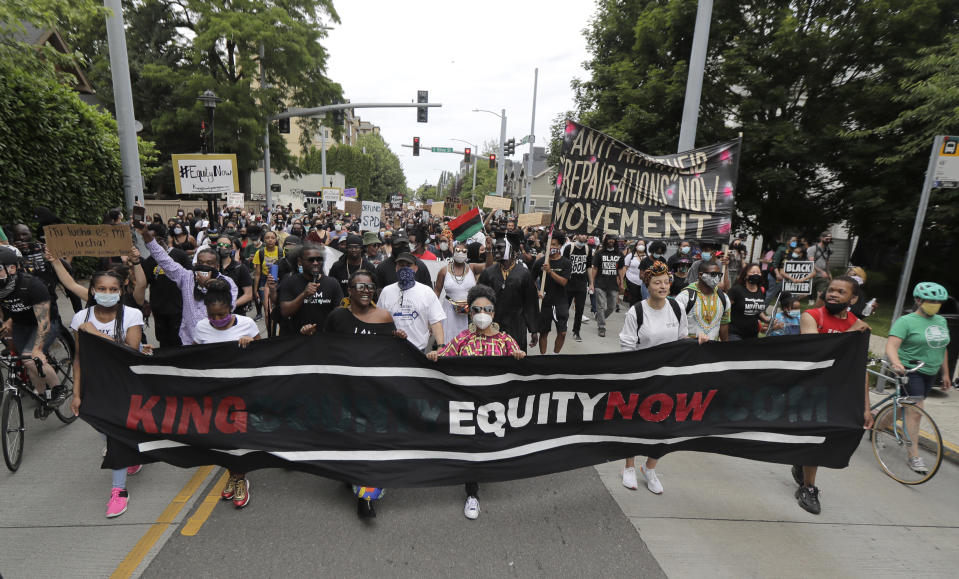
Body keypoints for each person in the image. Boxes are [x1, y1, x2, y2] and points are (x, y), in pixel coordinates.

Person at [426, 284, 526, 519]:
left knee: (488, 446)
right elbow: (444, 355)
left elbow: (520, 370)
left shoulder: (506, 341)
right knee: (472, 447)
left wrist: (519, 357)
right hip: (469, 406)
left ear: (494, 312)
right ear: (470, 312)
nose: (482, 314)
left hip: (495, 407)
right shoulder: (463, 339)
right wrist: (433, 355)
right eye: (477, 309)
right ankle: (472, 493)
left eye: (487, 309)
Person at [325, 271, 408, 518]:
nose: (365, 290)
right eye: (359, 286)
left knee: (371, 442)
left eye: (370, 286)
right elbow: (325, 349)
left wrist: (399, 341)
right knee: (350, 440)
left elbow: (393, 356)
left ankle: (366, 497)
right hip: (346, 392)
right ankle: (350, 475)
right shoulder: (337, 317)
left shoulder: (384, 317)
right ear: (349, 290)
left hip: (376, 394)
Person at [793, 276, 873, 515]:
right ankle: (808, 488)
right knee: (815, 436)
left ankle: (802, 461)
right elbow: (816, 353)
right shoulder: (812, 316)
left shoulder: (858, 324)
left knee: (830, 438)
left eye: (841, 292)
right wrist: (851, 332)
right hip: (812, 389)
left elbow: (861, 369)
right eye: (831, 290)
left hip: (840, 391)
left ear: (853, 298)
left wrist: (866, 407)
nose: (833, 294)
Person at [69, 271, 145, 518]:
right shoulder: (81, 317)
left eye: (114, 290)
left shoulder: (132, 315)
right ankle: (130, 452)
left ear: (121, 291)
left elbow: (131, 350)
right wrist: (76, 392)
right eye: (102, 288)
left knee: (114, 435)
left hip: (125, 383)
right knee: (103, 429)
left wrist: (94, 332)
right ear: (92, 291)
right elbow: (79, 357)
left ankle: (119, 491)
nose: (108, 294)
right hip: (96, 384)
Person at [619, 261, 690, 494]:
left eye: (666, 282)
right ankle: (629, 466)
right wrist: (632, 377)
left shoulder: (677, 309)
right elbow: (627, 347)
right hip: (641, 377)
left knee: (666, 425)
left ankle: (650, 468)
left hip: (669, 378)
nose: (663, 286)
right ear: (647, 285)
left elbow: (682, 341)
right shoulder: (636, 312)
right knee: (634, 422)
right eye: (657, 282)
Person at [193, 278, 259, 508]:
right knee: (223, 438)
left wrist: (251, 343)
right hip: (215, 391)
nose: (218, 320)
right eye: (213, 316)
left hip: (242, 391)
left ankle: (239, 478)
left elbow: (265, 353)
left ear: (231, 308)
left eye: (222, 315)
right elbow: (194, 357)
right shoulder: (201, 328)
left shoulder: (247, 324)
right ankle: (234, 474)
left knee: (237, 436)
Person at [885, 282, 952, 474]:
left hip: (930, 372)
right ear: (918, 300)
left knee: (904, 406)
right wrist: (897, 363)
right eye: (931, 300)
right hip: (910, 371)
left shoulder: (941, 321)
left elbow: (941, 347)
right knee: (915, 411)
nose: (935, 304)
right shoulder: (906, 321)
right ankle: (914, 456)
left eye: (939, 301)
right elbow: (891, 346)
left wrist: (945, 373)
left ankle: (877, 425)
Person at [138, 223, 237, 345]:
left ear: (216, 266)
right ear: (195, 264)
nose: (204, 266)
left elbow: (229, 307)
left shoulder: (228, 283)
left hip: (217, 340)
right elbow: (164, 259)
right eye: (201, 262)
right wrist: (145, 234)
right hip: (188, 340)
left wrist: (208, 287)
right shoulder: (186, 277)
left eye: (209, 263)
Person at [0, 249, 63, 404]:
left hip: (45, 322)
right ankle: (41, 394)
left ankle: (58, 390)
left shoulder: (32, 285)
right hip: (21, 324)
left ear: (12, 269)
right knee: (26, 361)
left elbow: (44, 322)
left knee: (31, 357)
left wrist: (37, 348)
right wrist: (5, 322)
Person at [478, 238, 539, 351]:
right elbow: (479, 299)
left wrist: (533, 330)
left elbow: (530, 303)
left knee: (515, 358)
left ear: (511, 251)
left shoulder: (524, 274)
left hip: (516, 325)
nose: (496, 251)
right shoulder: (488, 273)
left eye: (500, 248)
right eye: (496, 248)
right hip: (493, 323)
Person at [377, 252, 445, 352]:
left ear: (416, 269)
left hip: (418, 349)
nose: (404, 268)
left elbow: (436, 322)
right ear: (396, 268)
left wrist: (441, 346)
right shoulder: (386, 291)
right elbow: (379, 320)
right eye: (401, 265)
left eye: (408, 265)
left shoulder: (427, 292)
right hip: (391, 348)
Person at [141, 223, 191, 346]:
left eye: (150, 239)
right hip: (159, 308)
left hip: (179, 307)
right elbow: (144, 284)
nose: (147, 243)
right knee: (163, 340)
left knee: (179, 339)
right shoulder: (149, 261)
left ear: (160, 239)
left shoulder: (180, 255)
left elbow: (190, 279)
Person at [278, 244, 343, 336]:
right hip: (297, 338)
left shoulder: (332, 283)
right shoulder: (290, 281)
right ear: (300, 262)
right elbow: (285, 312)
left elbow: (339, 314)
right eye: (311, 260)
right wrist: (304, 294)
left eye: (319, 259)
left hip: (325, 339)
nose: (316, 263)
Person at [434, 241, 488, 341]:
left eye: (464, 251)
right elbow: (437, 291)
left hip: (468, 312)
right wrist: (433, 312)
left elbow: (488, 266)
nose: (461, 253)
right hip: (449, 311)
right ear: (453, 252)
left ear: (467, 254)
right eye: (458, 251)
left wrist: (489, 250)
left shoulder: (472, 267)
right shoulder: (444, 271)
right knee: (448, 340)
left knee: (467, 342)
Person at [531, 234, 571, 355]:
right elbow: (531, 280)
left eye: (553, 244)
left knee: (562, 332)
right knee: (544, 333)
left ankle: (555, 356)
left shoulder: (566, 263)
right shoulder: (540, 262)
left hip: (561, 302)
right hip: (545, 303)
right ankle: (544, 358)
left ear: (560, 245)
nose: (551, 247)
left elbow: (564, 282)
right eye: (549, 245)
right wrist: (537, 291)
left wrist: (550, 272)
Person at [675, 260, 730, 342]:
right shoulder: (684, 297)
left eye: (719, 275)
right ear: (700, 275)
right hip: (689, 350)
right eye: (713, 274)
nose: (717, 278)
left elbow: (724, 325)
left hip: (712, 351)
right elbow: (675, 328)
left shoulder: (724, 298)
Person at [589, 234, 624, 337]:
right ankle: (601, 327)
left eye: (613, 239)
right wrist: (591, 283)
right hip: (600, 283)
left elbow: (620, 269)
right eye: (609, 239)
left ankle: (600, 317)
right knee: (600, 306)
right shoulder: (599, 253)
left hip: (613, 285)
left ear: (615, 241)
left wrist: (621, 282)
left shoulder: (619, 254)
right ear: (606, 241)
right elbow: (594, 268)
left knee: (612, 306)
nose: (611, 241)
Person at [727, 263, 770, 341]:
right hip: (735, 333)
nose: (756, 274)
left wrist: (767, 320)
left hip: (753, 333)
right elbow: (725, 308)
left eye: (758, 273)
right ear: (745, 275)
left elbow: (758, 310)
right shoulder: (736, 290)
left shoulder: (762, 291)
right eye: (753, 272)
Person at [563, 234, 592, 342]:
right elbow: (564, 265)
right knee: (565, 308)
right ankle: (562, 326)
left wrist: (591, 283)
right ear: (577, 236)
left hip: (581, 284)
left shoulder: (588, 249)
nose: (583, 236)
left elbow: (589, 267)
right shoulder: (568, 248)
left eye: (585, 235)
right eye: (581, 234)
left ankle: (576, 331)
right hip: (569, 284)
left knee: (580, 309)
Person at [216, 236, 254, 316]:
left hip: (236, 314)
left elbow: (248, 294)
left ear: (231, 248)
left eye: (226, 245)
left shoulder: (240, 268)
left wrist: (230, 306)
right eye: (220, 244)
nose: (223, 247)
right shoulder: (212, 267)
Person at [807, 231, 833, 305]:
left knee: (821, 295)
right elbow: (811, 263)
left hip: (822, 277)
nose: (829, 241)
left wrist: (830, 276)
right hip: (811, 274)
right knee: (803, 294)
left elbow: (827, 264)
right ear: (821, 238)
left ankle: (817, 311)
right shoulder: (813, 248)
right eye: (827, 239)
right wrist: (821, 271)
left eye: (830, 239)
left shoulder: (828, 250)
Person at [621, 240, 649, 306]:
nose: (641, 246)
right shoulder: (630, 256)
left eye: (642, 244)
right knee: (634, 299)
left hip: (644, 282)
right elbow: (624, 268)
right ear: (636, 246)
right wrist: (621, 280)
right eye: (639, 244)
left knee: (643, 300)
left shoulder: (648, 257)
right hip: (631, 281)